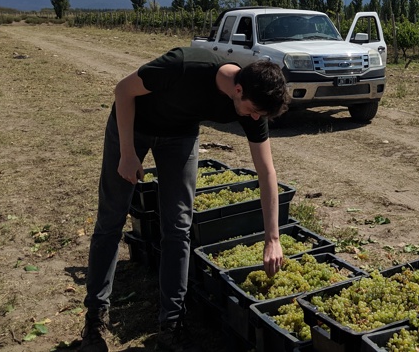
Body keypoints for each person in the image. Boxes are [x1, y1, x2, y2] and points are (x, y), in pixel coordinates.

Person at [79, 47, 290, 352]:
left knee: (178, 228)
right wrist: (127, 153)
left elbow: (266, 172)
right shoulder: (184, 65)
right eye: (254, 110)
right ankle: (95, 320)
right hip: (133, 125)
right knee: (111, 220)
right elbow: (123, 90)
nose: (255, 117)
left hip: (179, 136)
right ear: (238, 89)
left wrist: (273, 238)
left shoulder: (255, 97)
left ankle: (171, 325)